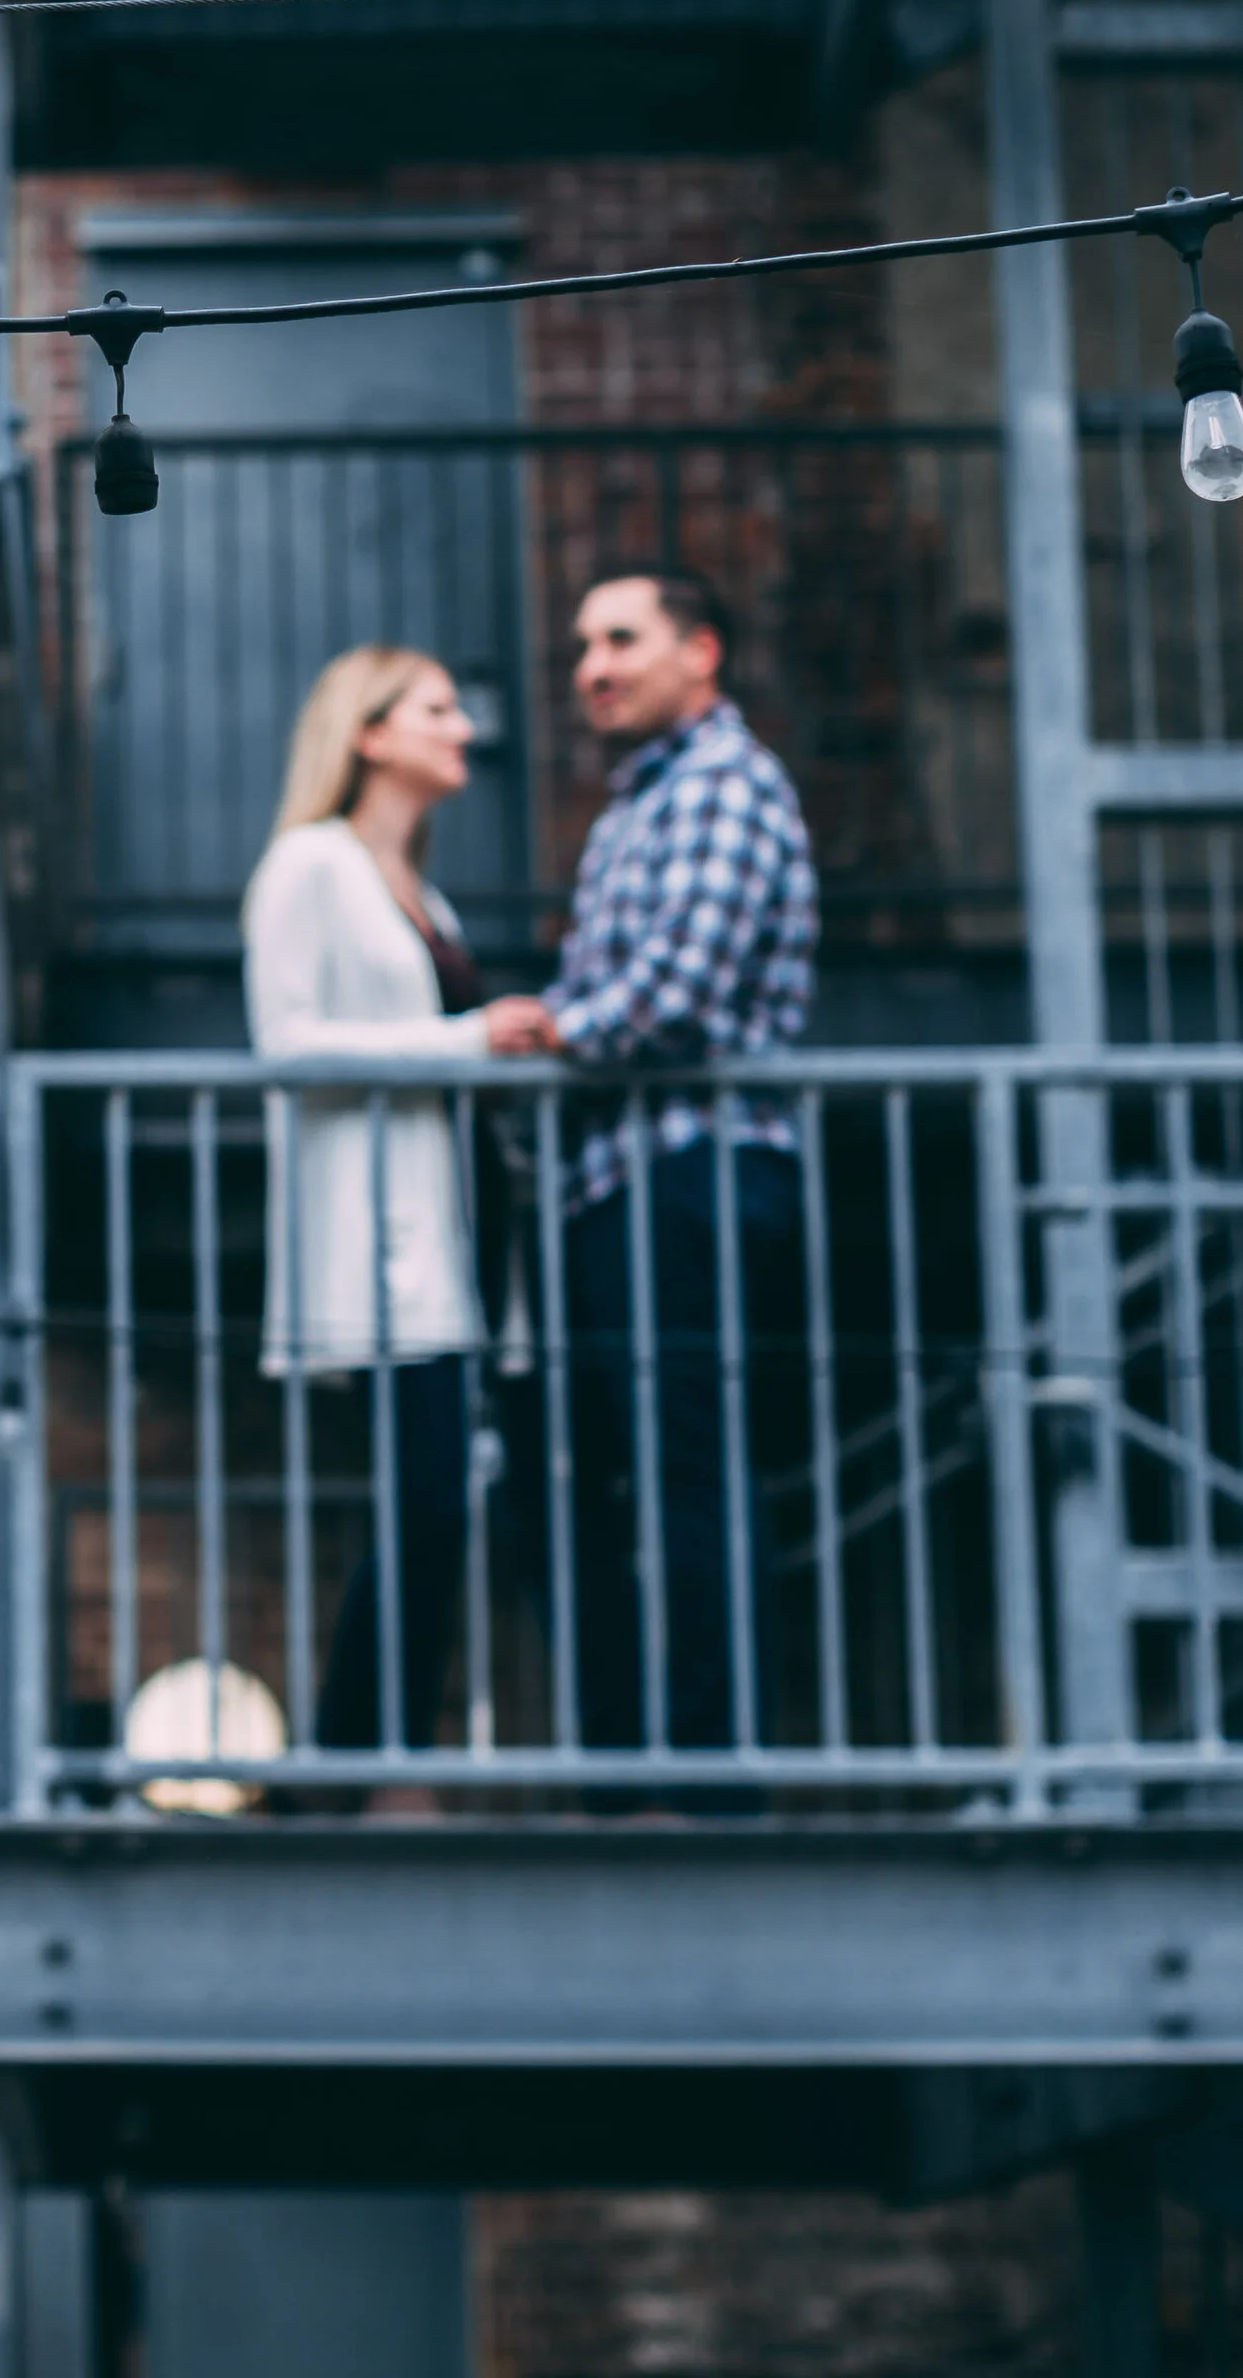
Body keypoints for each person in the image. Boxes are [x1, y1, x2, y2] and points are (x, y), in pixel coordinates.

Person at [242, 646, 556, 1756]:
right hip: (377, 1243)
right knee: (422, 1503)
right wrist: (466, 1041)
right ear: (367, 734)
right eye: (435, 710)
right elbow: (285, 1045)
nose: (464, 729)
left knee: (443, 1504)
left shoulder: (427, 895)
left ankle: (377, 1755)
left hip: (459, 1230)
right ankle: (365, 1758)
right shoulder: (308, 867)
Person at [531, 566, 818, 1761]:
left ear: (699, 652)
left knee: (691, 1471)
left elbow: (670, 999)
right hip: (622, 1178)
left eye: (620, 640)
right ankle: (634, 1766)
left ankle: (710, 1775)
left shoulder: (721, 786)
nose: (592, 667)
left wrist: (549, 1033)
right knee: (616, 1479)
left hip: (693, 1171)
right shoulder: (636, 806)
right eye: (583, 647)